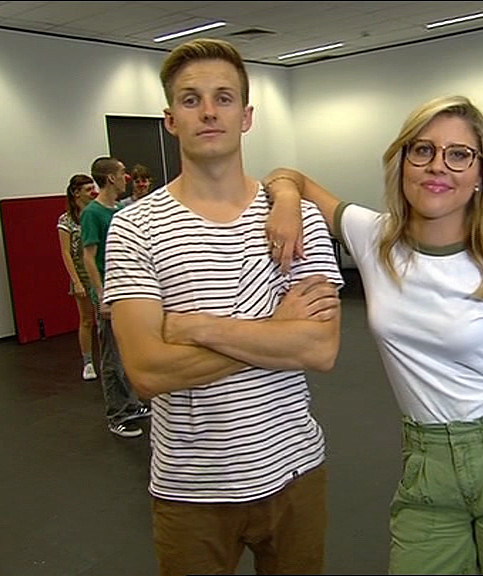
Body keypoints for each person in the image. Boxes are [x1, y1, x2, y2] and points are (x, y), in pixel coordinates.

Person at [263, 95, 483, 575]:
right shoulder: (374, 237)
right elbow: (291, 176)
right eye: (423, 150)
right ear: (403, 162)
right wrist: (286, 199)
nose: (438, 166)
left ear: (480, 174)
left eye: (459, 154)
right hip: (426, 467)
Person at [101, 38, 344, 576]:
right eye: (191, 100)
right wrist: (277, 329)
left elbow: (320, 348)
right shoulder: (135, 227)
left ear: (246, 116)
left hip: (295, 473)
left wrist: (195, 328)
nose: (208, 112)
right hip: (190, 490)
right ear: (171, 120)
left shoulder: (297, 218)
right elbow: (147, 371)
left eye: (224, 98)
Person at [81, 156, 150, 438]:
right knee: (111, 356)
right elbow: (89, 257)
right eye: (122, 173)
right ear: (110, 178)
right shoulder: (93, 213)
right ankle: (116, 414)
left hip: (126, 290)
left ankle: (131, 404)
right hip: (109, 293)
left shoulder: (120, 210)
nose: (127, 178)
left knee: (128, 351)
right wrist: (102, 295)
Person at [57, 173, 99, 380]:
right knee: (87, 320)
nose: (93, 193)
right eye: (87, 189)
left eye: (93, 188)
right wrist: (76, 281)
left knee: (106, 320)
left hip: (99, 271)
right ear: (76, 193)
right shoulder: (66, 221)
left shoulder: (95, 214)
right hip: (81, 273)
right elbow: (66, 253)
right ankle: (88, 362)